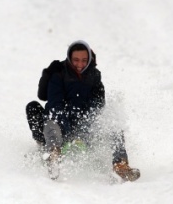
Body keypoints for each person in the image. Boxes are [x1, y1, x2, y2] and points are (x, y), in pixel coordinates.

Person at [26, 40, 140, 182]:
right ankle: (52, 155)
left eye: (84, 60)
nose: (80, 65)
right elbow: (55, 107)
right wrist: (68, 132)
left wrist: (83, 131)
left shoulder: (95, 77)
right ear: (69, 58)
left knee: (113, 123)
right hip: (59, 129)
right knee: (43, 114)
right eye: (76, 60)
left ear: (89, 60)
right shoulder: (58, 74)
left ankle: (120, 165)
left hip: (84, 131)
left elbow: (97, 108)